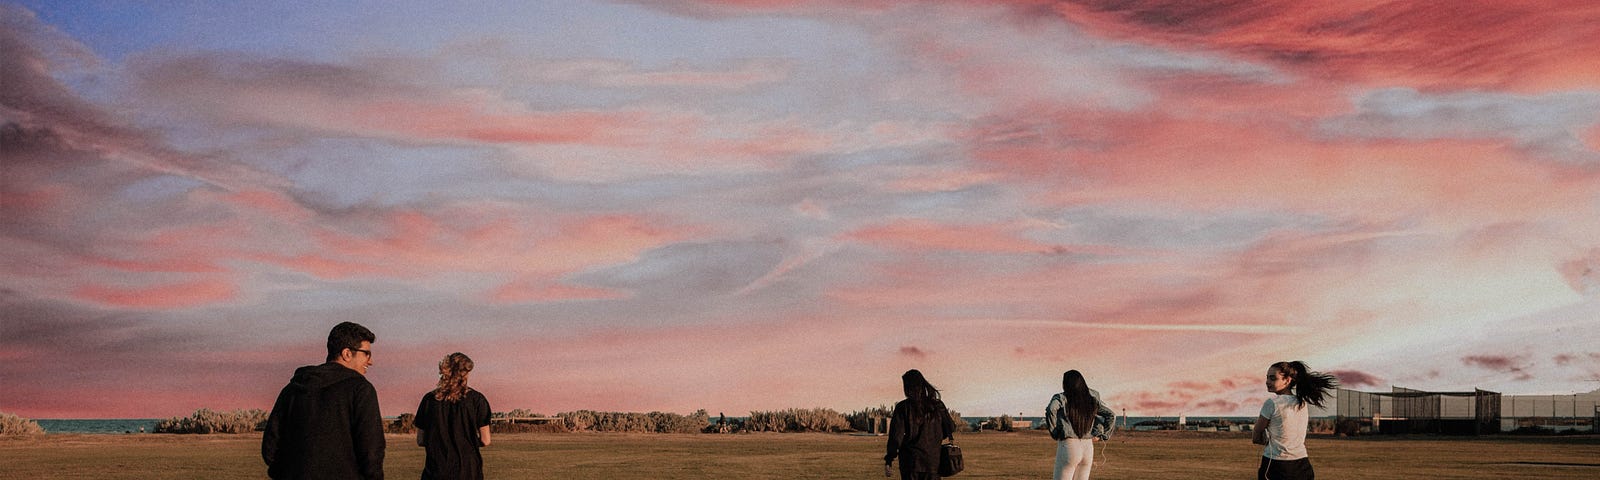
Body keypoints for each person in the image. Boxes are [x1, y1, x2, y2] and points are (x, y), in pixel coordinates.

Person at [262, 322, 385, 479]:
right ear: (347, 353)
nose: (370, 361)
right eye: (366, 354)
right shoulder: (360, 389)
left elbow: (270, 448)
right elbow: (371, 452)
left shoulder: (292, 390)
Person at [1252, 361, 1337, 480]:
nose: (1267, 382)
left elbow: (1256, 437)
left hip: (1277, 465)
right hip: (1302, 465)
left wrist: (1267, 440)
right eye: (1267, 378)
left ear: (1287, 380)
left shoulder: (1272, 403)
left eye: (1272, 378)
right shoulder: (1302, 403)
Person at [415, 352, 493, 480]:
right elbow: (486, 440)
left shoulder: (429, 400)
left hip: (436, 471)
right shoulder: (477, 400)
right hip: (468, 471)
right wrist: (465, 443)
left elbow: (421, 440)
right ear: (466, 373)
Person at [884, 369, 956, 480]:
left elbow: (895, 437)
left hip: (910, 464)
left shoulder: (903, 407)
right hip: (934, 464)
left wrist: (889, 459)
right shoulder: (937, 405)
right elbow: (950, 428)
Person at [1044, 370, 1115, 480]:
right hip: (1087, 447)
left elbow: (1051, 409)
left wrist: (1054, 432)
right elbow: (1111, 415)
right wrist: (1103, 435)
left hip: (1069, 445)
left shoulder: (1062, 398)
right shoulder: (1091, 399)